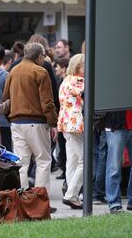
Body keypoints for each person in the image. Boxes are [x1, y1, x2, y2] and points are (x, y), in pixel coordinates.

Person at [3, 42, 58, 194]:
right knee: (43, 161)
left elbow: (6, 98)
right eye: (43, 56)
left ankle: (23, 198)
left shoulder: (13, 71)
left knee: (21, 162)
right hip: (36, 121)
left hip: (16, 122)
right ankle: (40, 199)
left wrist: (10, 118)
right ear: (39, 56)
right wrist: (53, 123)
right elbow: (47, 102)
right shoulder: (40, 71)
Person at [57, 54, 85, 209]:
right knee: (84, 160)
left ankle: (71, 194)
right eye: (84, 66)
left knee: (72, 161)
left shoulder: (66, 80)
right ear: (77, 67)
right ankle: (71, 195)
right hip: (76, 124)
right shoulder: (79, 81)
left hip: (66, 124)